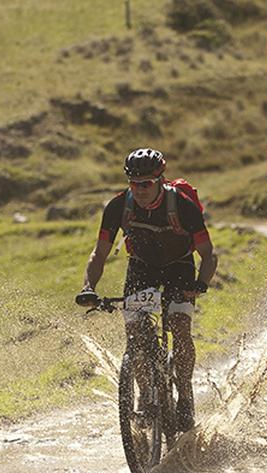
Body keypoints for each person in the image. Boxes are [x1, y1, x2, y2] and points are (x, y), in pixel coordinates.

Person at [76, 148, 217, 432]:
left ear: (160, 180)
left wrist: (199, 286)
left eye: (146, 184)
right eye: (133, 183)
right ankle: (144, 397)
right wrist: (88, 287)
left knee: (179, 325)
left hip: (179, 267)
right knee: (136, 334)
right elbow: (99, 254)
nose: (138, 190)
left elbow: (208, 254)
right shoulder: (118, 207)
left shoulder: (183, 206)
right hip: (142, 268)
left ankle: (185, 395)